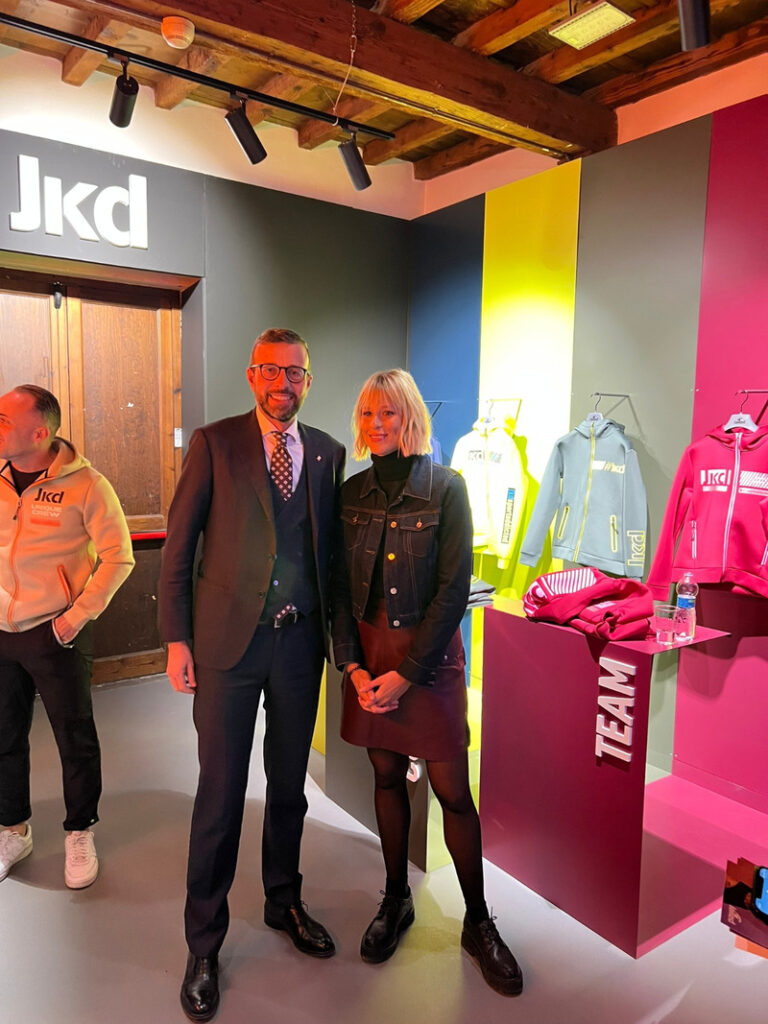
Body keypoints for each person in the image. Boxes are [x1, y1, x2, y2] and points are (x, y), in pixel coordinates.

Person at [159, 328, 345, 1023]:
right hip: (226, 650)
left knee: (290, 788)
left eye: (294, 372)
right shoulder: (215, 444)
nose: (283, 383)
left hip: (299, 648)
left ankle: (283, 900)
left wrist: (343, 646)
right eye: (271, 370)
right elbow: (179, 548)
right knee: (221, 794)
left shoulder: (327, 452)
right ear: (250, 375)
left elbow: (332, 560)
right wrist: (176, 640)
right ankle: (203, 944)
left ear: (307, 380)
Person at [331, 369, 523, 997]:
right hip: (369, 659)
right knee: (386, 776)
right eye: (367, 413)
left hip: (429, 662)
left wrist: (407, 675)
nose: (376, 424)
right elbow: (339, 589)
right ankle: (396, 899)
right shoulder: (350, 493)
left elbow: (452, 591)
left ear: (410, 417)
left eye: (388, 412)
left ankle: (478, 922)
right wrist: (353, 667)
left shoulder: (448, 488)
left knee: (452, 793)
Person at [0, 385, 134, 889]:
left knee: (74, 737)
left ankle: (80, 830)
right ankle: (13, 829)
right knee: (3, 735)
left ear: (39, 433)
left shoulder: (87, 485)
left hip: (56, 632)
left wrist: (73, 620)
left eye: (4, 419)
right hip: (1, 631)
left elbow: (119, 557)